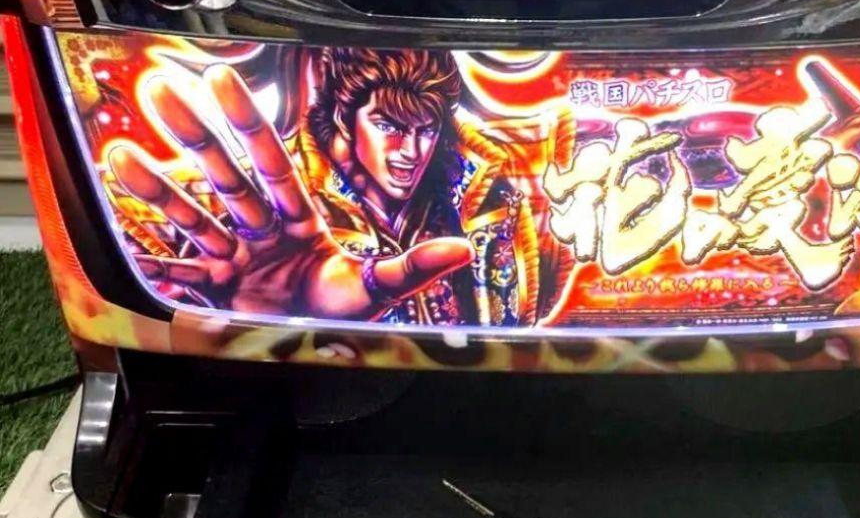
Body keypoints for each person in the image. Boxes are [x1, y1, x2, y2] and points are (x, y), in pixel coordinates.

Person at [107, 47, 549, 326]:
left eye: (426, 130)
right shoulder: (267, 212)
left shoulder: (491, 196)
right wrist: (256, 329)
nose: (411, 151)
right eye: (388, 126)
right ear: (343, 117)